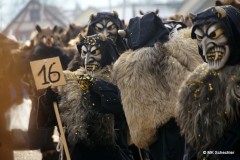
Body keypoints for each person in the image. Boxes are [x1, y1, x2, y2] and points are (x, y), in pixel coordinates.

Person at [113, 12, 203, 160]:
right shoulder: (177, 48)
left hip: (156, 135)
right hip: (186, 123)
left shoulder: (126, 66)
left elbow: (128, 106)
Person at [37, 33, 132, 160]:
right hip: (78, 150)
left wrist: (95, 84)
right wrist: (50, 94)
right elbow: (53, 118)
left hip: (108, 150)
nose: (88, 58)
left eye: (94, 53)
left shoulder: (118, 77)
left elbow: (119, 104)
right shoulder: (71, 80)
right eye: (84, 53)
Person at [176, 5, 240, 160]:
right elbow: (192, 140)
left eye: (214, 34)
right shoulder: (196, 82)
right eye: (199, 37)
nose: (205, 49)